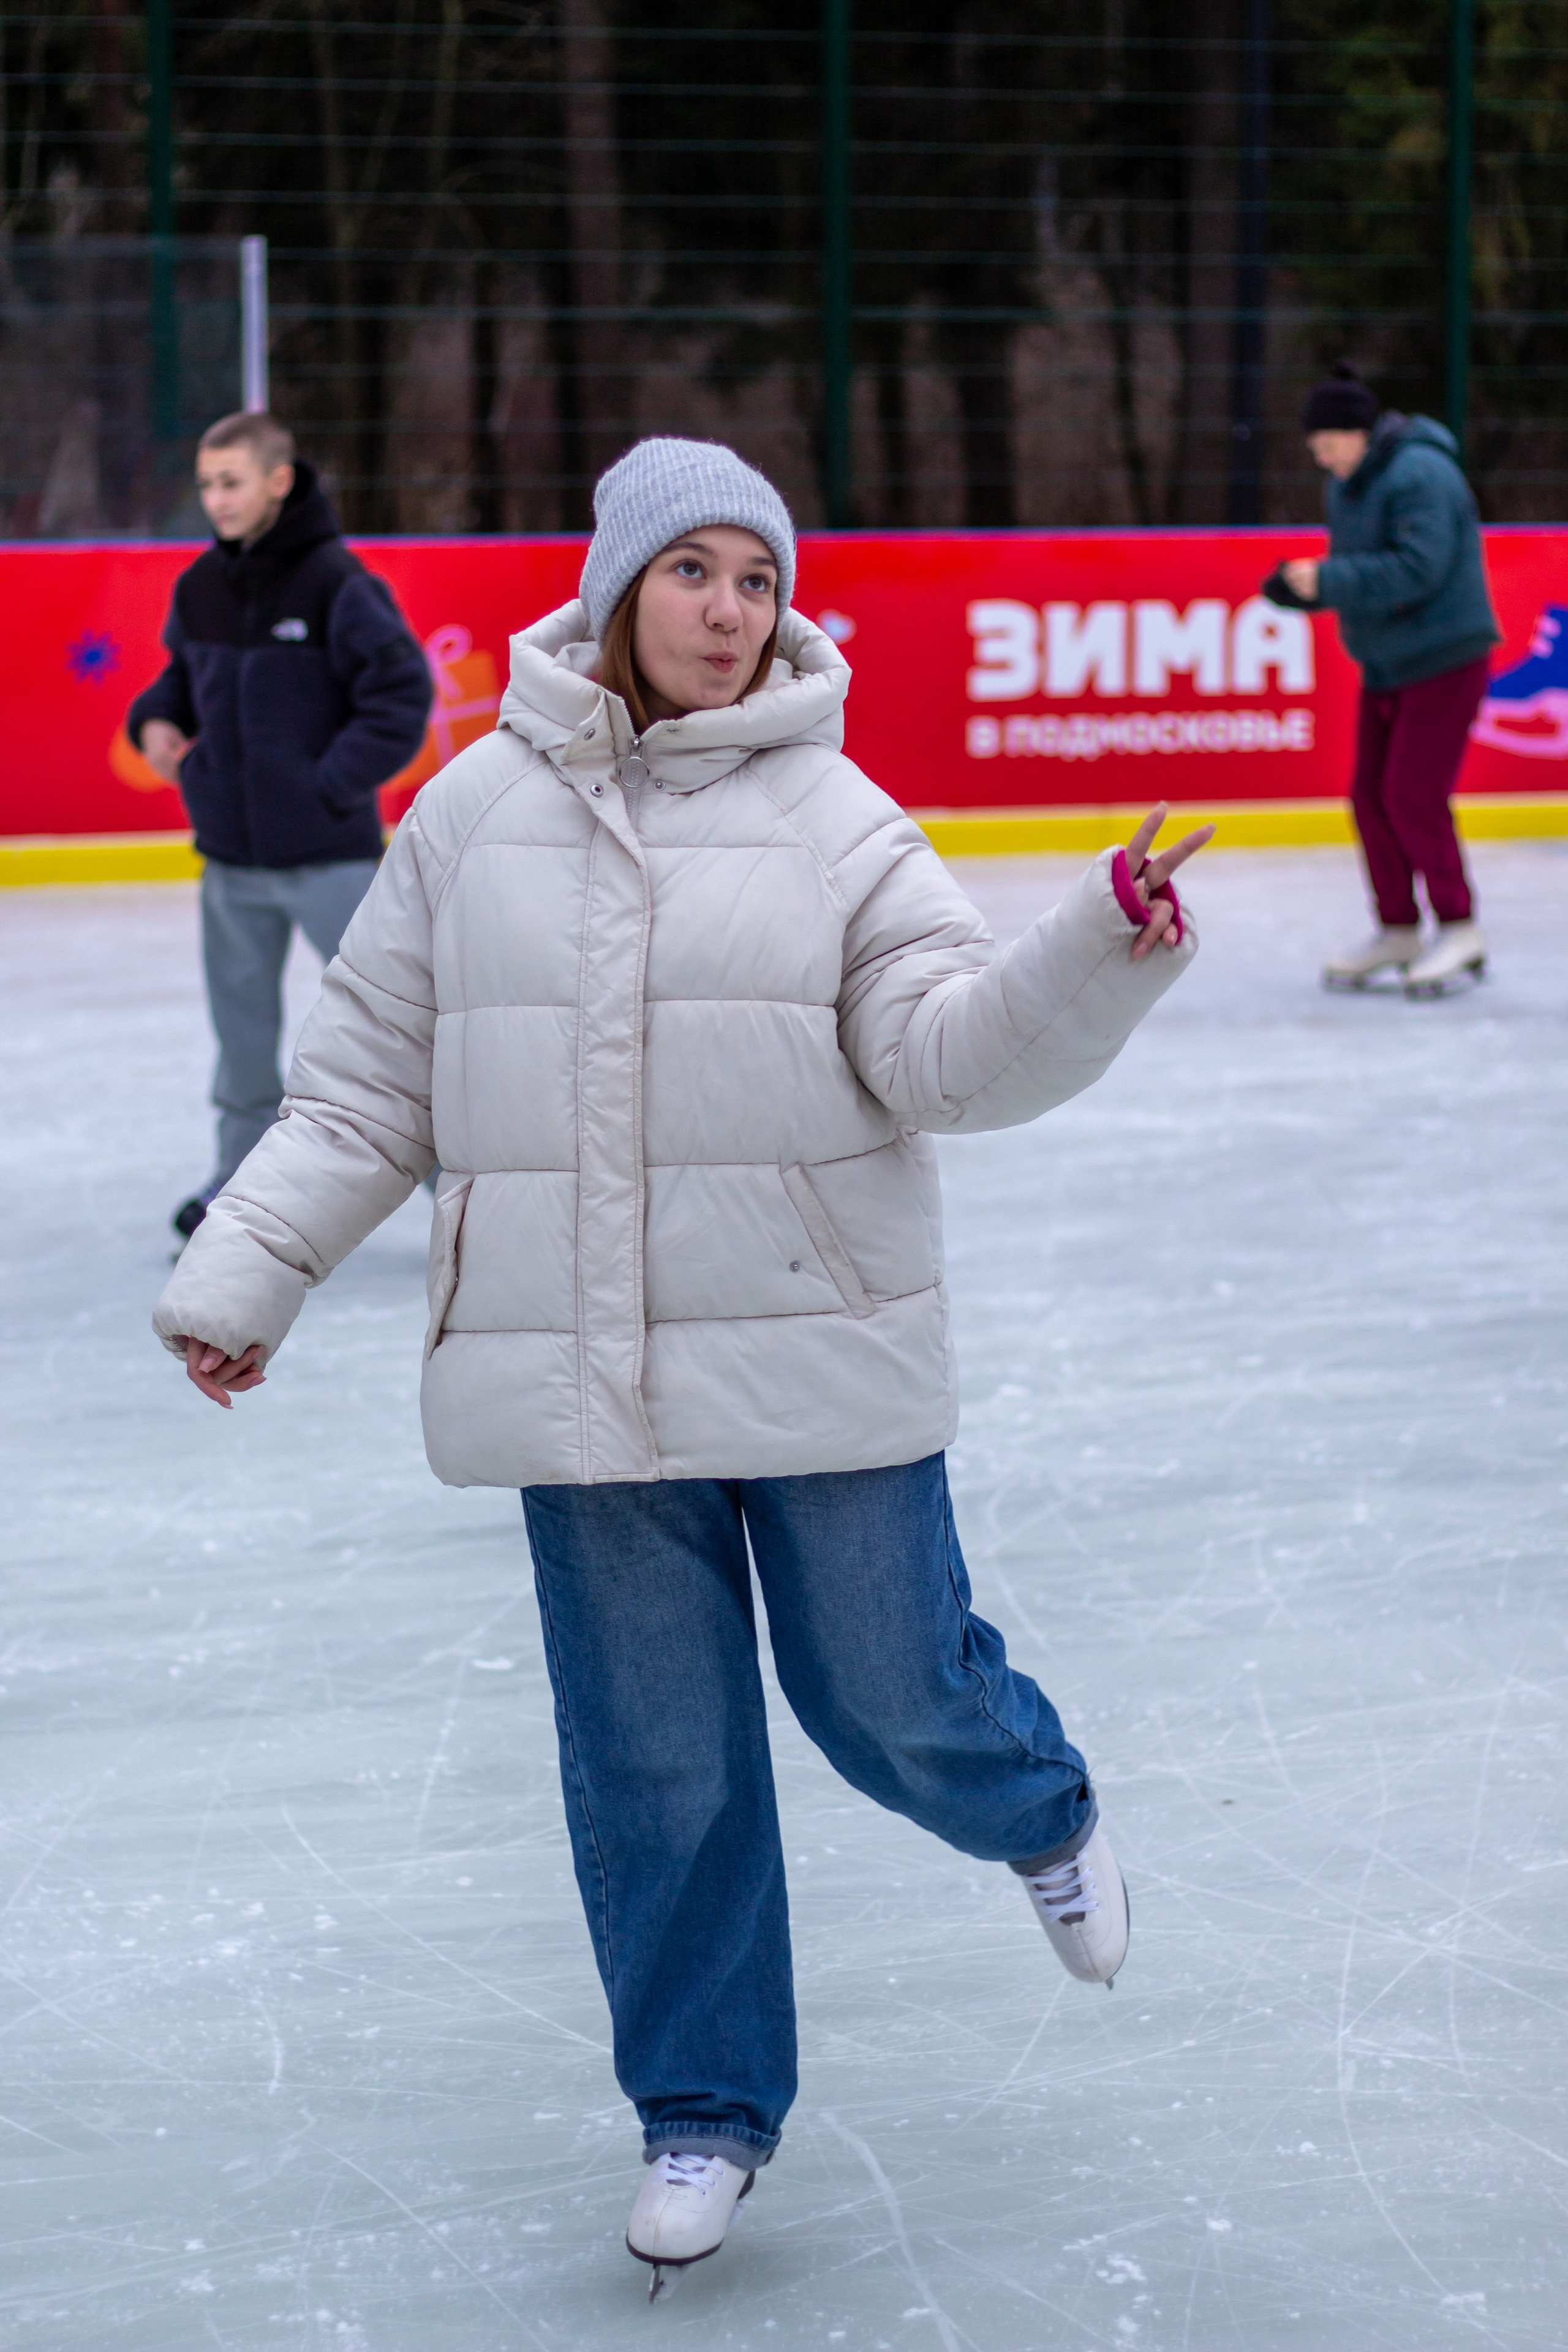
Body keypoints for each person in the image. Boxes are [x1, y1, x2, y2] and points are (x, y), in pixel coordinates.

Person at [150, 437, 1209, 2299]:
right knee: (657, 1762)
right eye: (696, 571)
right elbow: (373, 1081)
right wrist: (248, 1274)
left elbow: (950, 1054)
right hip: (585, 1375)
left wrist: (1093, 944)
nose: (731, 609)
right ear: (619, 582)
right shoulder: (472, 816)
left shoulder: (843, 821)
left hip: (815, 1340)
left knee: (892, 1690)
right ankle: (702, 2106)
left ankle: (1038, 1808)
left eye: (758, 579)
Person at [127, 411, 432, 1239]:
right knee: (243, 1036)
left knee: (393, 1025)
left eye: (231, 482)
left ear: (278, 481)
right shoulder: (201, 586)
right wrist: (153, 721)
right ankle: (240, 1182)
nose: (216, 499)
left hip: (328, 859)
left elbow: (402, 695)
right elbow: (178, 684)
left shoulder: (339, 584)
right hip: (231, 860)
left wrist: (325, 785)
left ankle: (468, 1190)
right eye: (207, 484)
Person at [1265, 363, 1500, 997]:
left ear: (1358, 431)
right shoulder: (1348, 485)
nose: (1322, 458)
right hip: (1387, 663)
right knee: (1368, 796)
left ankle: (1458, 925)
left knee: (1411, 795)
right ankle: (1398, 926)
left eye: (1328, 444)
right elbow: (1362, 570)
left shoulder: (1422, 473)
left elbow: (1420, 568)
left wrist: (1331, 581)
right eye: (1315, 448)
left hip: (1445, 657)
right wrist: (1303, 592)